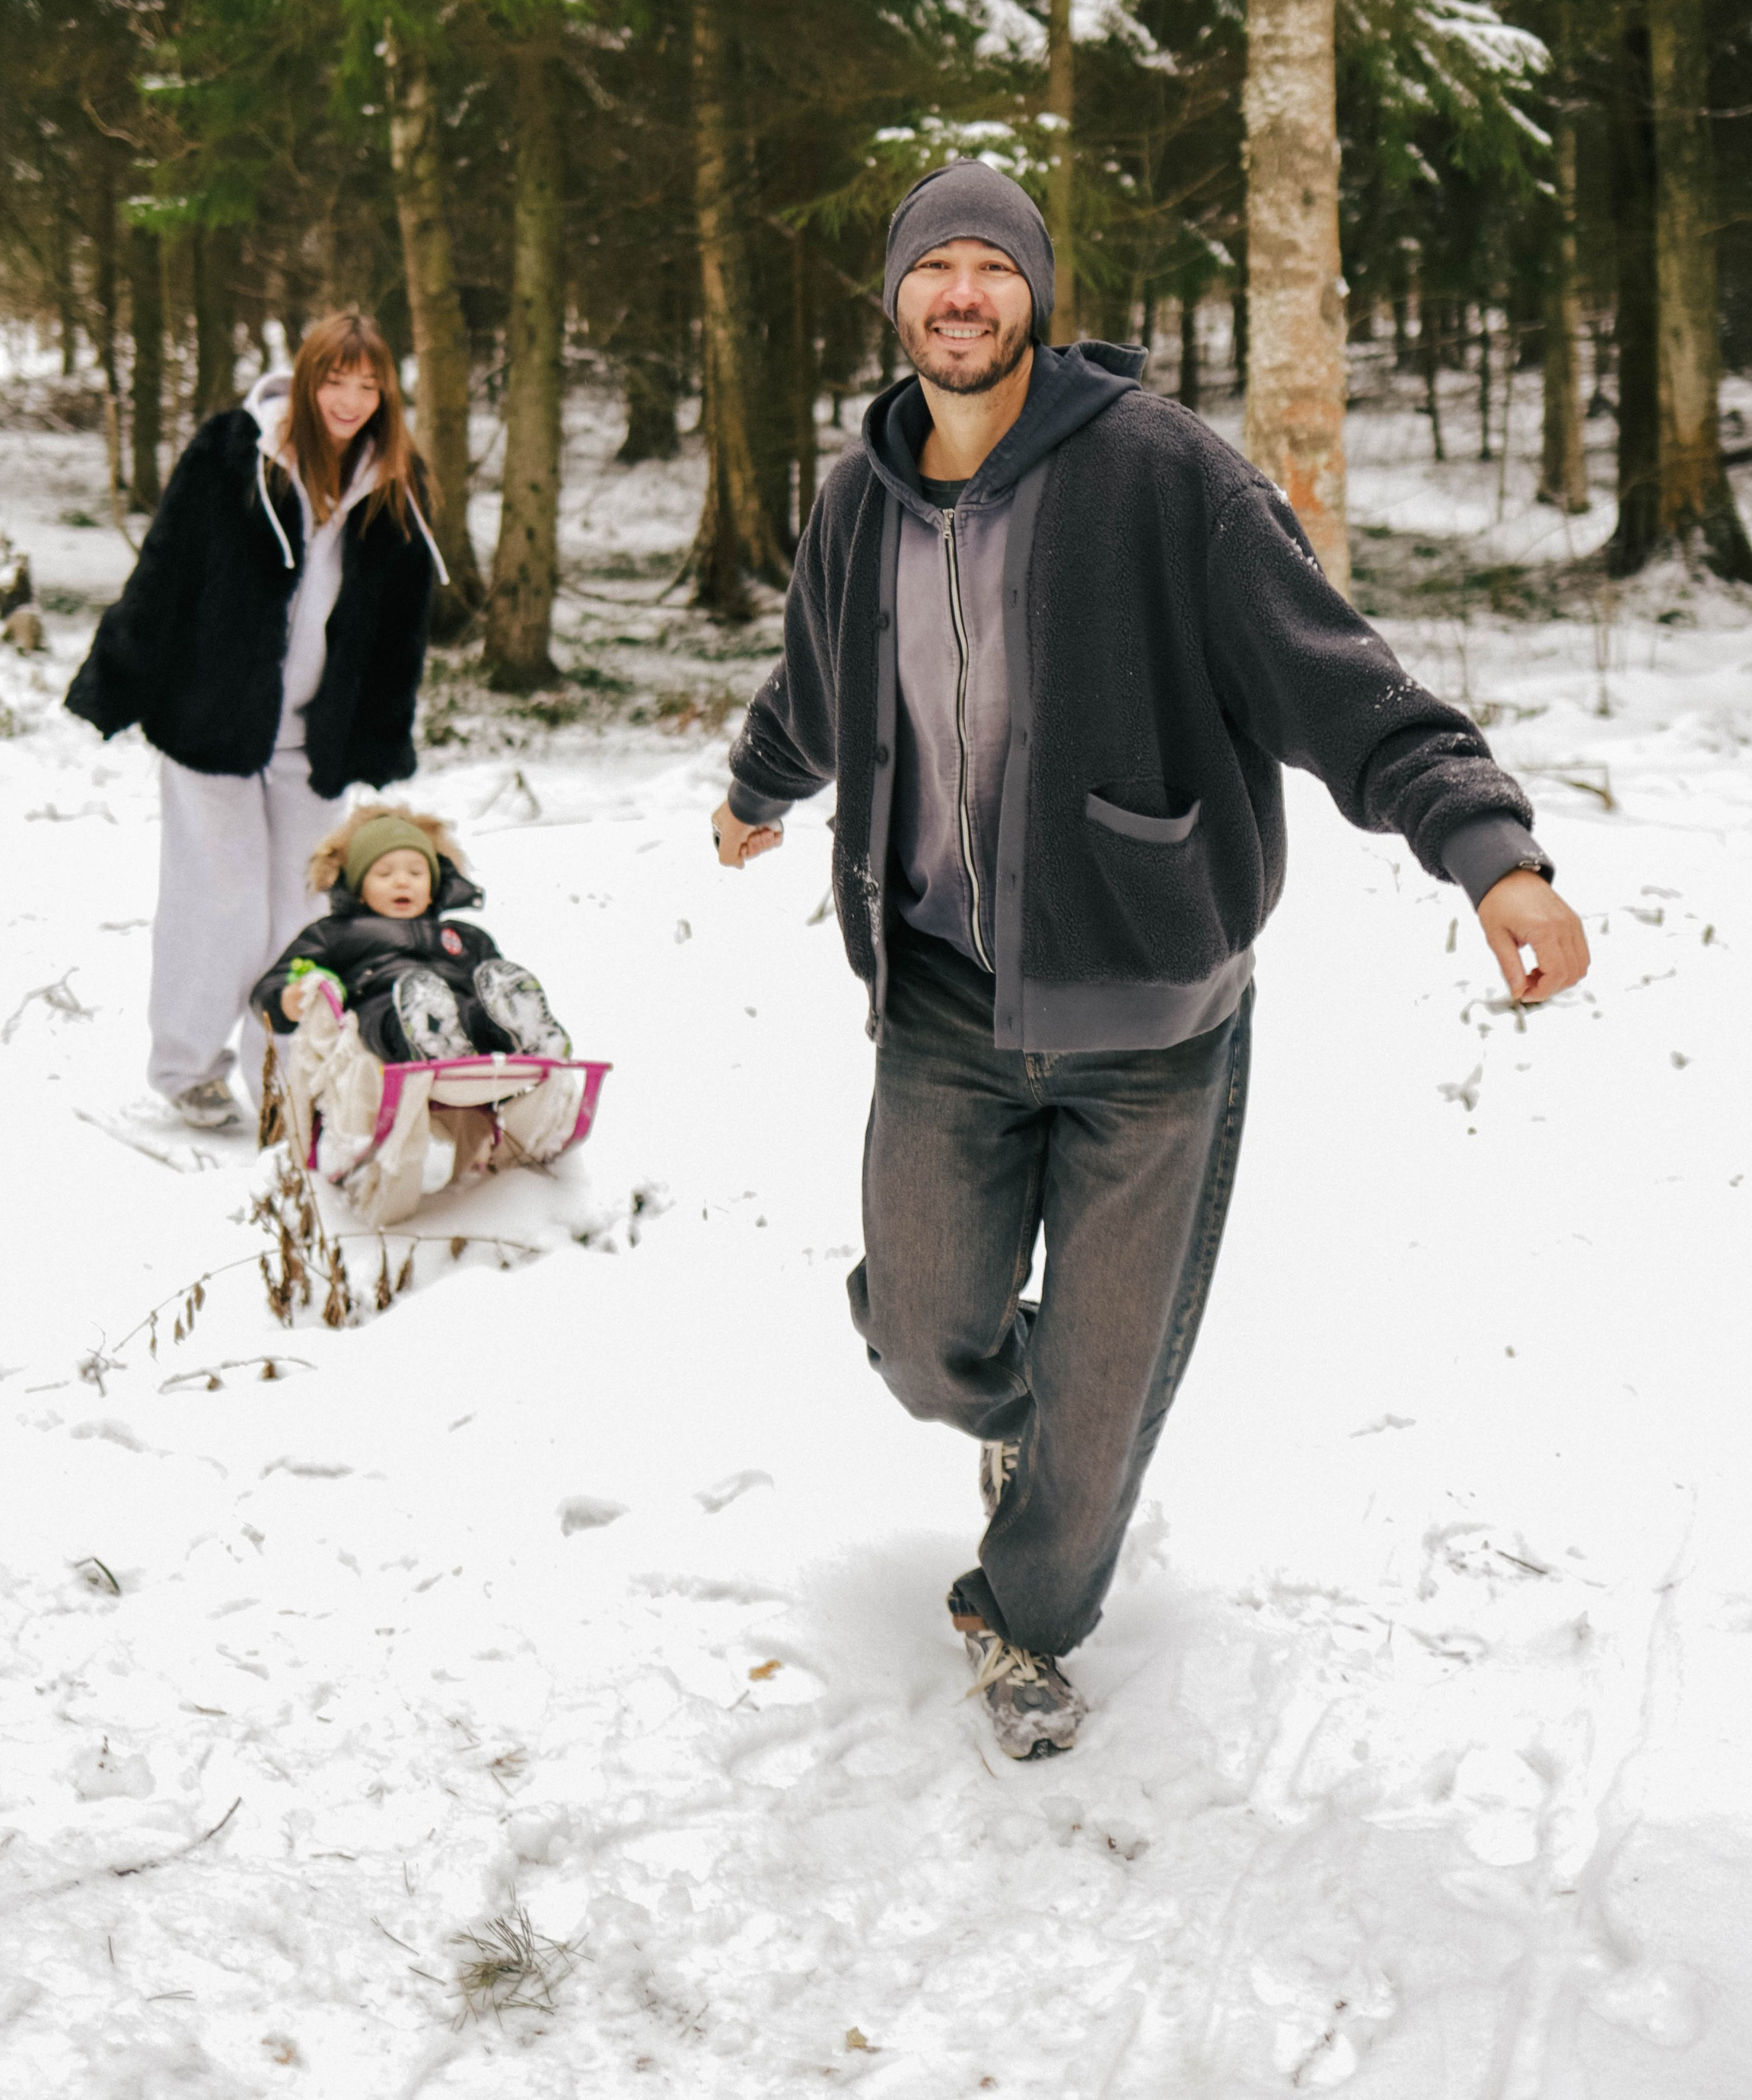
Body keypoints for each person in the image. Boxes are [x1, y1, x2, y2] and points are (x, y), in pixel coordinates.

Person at [710, 162, 1590, 1762]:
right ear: (894, 299)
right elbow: (822, 684)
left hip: (1148, 1008)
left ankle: (1026, 1614)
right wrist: (758, 791)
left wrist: (1490, 855)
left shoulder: (1159, 474)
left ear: (1033, 295)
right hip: (941, 999)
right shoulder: (858, 496)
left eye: (991, 267)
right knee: (922, 1338)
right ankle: (1020, 1425)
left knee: (1103, 1402)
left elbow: (1343, 688)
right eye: (932, 268)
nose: (959, 295)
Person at [66, 312, 446, 1128]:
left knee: (303, 915)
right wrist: (118, 678)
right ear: (307, 380)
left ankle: (287, 1080)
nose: (349, 399)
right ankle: (188, 1067)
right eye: (334, 380)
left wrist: (382, 731)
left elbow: (399, 628)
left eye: (367, 384)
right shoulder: (235, 449)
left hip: (317, 737)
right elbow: (165, 566)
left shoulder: (394, 480)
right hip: (214, 725)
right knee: (221, 899)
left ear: (385, 392)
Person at [250, 802, 571, 1068]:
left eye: (416, 873)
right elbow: (271, 986)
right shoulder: (335, 933)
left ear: (433, 889)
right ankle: (425, 1036)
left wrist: (500, 995)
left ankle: (523, 1034)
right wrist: (287, 998)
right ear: (359, 889)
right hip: (376, 1010)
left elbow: (492, 980)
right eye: (384, 873)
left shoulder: (466, 937)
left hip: (458, 1008)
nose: (402, 882)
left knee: (479, 1011)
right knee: (388, 1017)